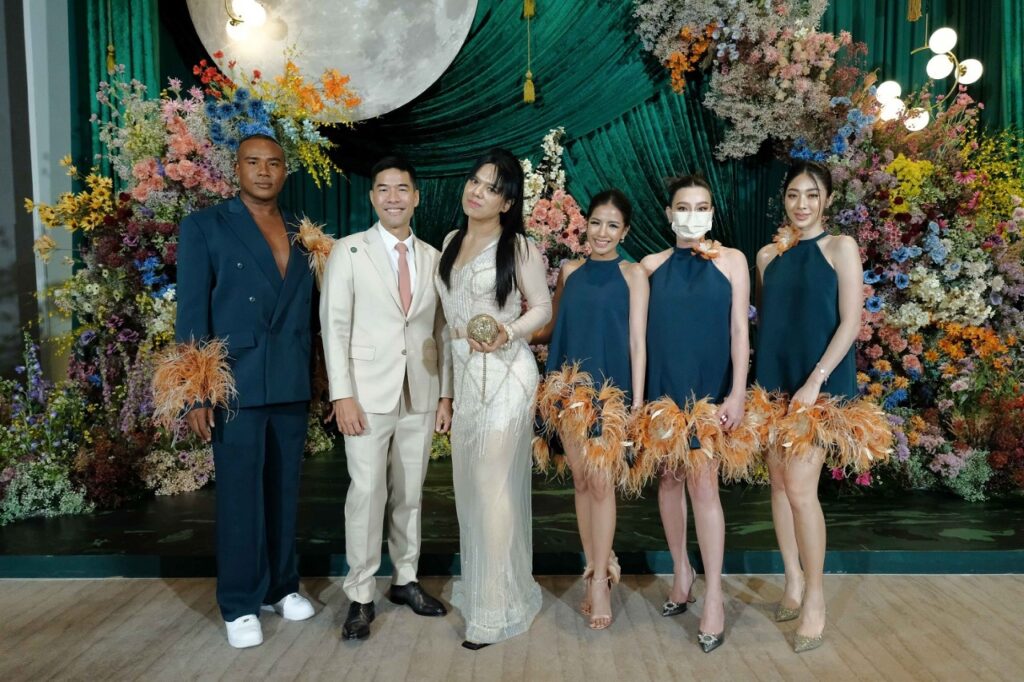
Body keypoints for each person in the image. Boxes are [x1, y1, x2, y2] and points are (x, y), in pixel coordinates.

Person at [174, 133, 316, 649]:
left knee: (283, 491)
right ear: (236, 169)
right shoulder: (205, 226)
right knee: (239, 498)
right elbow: (191, 315)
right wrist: (197, 392)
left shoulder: (303, 232)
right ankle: (238, 604)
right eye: (252, 162)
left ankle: (281, 586)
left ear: (285, 171)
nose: (263, 171)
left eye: (273, 163)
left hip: (290, 380)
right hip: (234, 383)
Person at [320, 155, 453, 640]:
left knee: (410, 494)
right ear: (372, 197)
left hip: (420, 392)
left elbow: (442, 330)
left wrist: (445, 395)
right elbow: (334, 327)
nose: (393, 198)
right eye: (383, 189)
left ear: (416, 197)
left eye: (401, 189)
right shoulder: (349, 251)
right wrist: (342, 395)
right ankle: (360, 594)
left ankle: (405, 580)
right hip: (366, 395)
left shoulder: (434, 257)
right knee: (367, 493)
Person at [435, 148, 552, 649]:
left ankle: (494, 606)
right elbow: (448, 328)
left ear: (507, 202)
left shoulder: (518, 246)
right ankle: (488, 586)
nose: (477, 192)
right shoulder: (449, 242)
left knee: (491, 486)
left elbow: (542, 307)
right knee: (471, 488)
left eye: (491, 188)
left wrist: (509, 332)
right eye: (475, 182)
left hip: (507, 378)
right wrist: (446, 395)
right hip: (466, 380)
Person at [754, 160, 863, 653]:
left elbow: (850, 321)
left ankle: (815, 597)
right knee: (778, 485)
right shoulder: (767, 256)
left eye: (812, 195)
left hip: (819, 386)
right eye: (794, 195)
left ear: (828, 200)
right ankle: (793, 581)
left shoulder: (840, 247)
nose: (802, 204)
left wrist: (816, 381)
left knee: (800, 489)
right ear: (784, 200)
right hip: (775, 384)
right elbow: (771, 322)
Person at [640, 175, 751, 653]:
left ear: (712, 213)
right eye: (682, 207)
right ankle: (681, 572)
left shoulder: (733, 261)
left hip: (710, 392)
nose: (692, 215)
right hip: (663, 391)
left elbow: (739, 331)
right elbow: (639, 336)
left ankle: (715, 597)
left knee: (704, 486)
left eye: (701, 206)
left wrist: (738, 393)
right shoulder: (649, 266)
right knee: (668, 480)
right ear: (669, 214)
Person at [532, 189, 648, 630]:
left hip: (611, 396)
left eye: (612, 225)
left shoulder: (633, 274)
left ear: (625, 231)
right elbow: (553, 327)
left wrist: (637, 404)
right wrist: (508, 331)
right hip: (569, 394)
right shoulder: (570, 271)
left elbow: (637, 342)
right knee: (581, 482)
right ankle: (594, 565)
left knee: (602, 485)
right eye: (597, 222)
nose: (602, 232)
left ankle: (601, 581)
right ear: (586, 224)